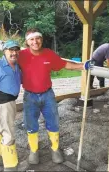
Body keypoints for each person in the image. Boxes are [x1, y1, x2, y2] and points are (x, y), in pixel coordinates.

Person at [18, 28, 93, 165]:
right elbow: (8, 61)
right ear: (27, 42)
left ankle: (55, 149)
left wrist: (83, 66)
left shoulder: (49, 54)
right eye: (32, 39)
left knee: (53, 122)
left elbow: (65, 65)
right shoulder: (21, 55)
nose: (35, 42)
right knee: (30, 124)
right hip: (30, 96)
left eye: (38, 38)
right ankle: (34, 151)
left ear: (41, 39)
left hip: (48, 95)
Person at [0, 40, 21, 171]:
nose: (14, 53)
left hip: (10, 102)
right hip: (4, 103)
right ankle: (11, 167)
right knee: (9, 133)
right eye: (10, 50)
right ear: (4, 51)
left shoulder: (16, 65)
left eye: (16, 50)